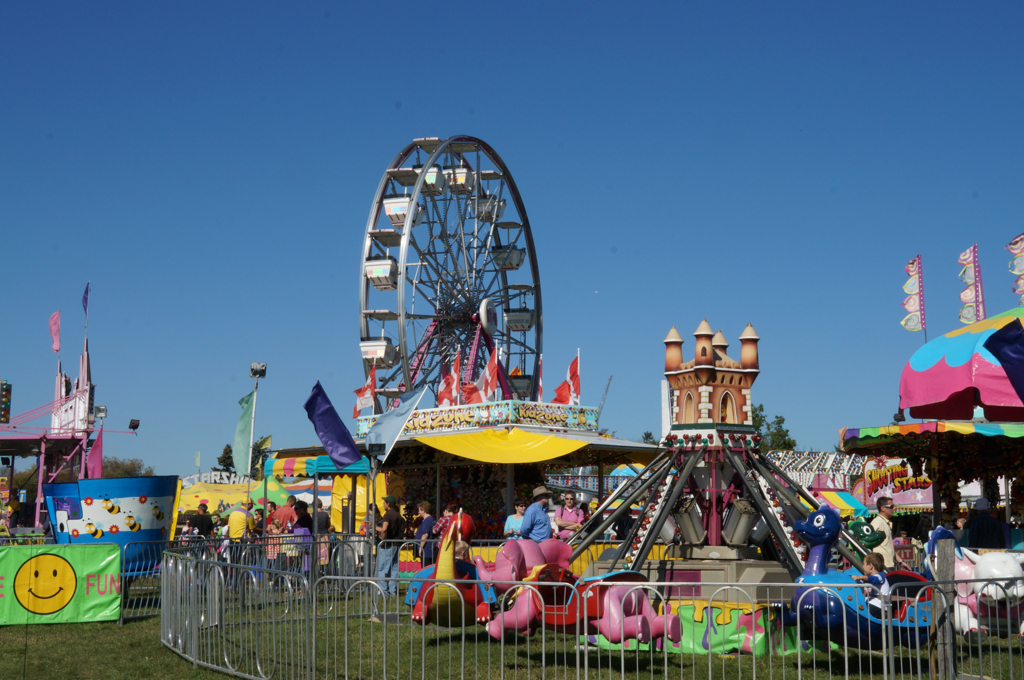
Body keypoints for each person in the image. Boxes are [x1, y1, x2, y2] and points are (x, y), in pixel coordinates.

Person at [870, 497, 909, 571]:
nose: (893, 508)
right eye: (891, 506)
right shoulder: (877, 522)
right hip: (882, 566)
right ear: (883, 508)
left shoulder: (885, 523)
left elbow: (889, 546)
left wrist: (901, 562)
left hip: (889, 564)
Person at [376, 495, 403, 596]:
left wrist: (382, 540)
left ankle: (383, 591)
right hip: (397, 544)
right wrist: (374, 527)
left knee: (382, 568)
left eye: (384, 503)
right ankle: (393, 591)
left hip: (388, 545)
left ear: (388, 504)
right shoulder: (398, 515)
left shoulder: (388, 515)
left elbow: (384, 529)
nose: (383, 505)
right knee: (394, 569)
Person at [852, 552, 890, 618]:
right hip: (869, 605)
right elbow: (858, 582)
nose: (862, 566)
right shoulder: (867, 578)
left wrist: (860, 577)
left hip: (879, 607)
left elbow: (874, 579)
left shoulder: (880, 576)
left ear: (870, 566)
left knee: (861, 611)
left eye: (864, 564)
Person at [414, 501, 436, 567]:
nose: (418, 512)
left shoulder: (428, 520)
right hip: (426, 550)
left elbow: (425, 535)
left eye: (419, 510)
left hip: (426, 551)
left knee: (426, 569)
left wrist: (420, 548)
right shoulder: (426, 520)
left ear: (423, 510)